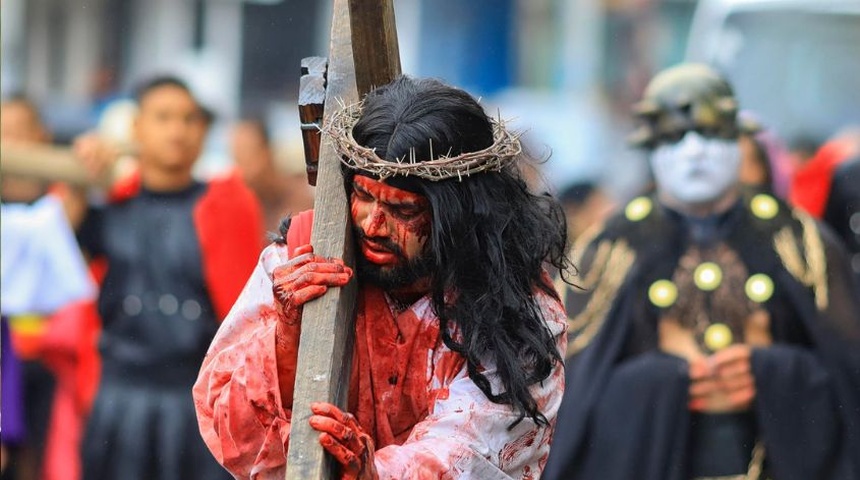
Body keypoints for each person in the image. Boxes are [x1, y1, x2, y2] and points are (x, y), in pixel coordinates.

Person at [193, 75, 570, 479]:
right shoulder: (299, 261)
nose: (373, 225)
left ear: (459, 216)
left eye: (403, 210)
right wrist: (286, 341)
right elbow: (229, 430)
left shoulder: (518, 312)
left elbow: (473, 450)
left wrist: (372, 472)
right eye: (364, 196)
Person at [543, 64, 860, 480]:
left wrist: (775, 372)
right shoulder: (611, 248)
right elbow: (575, 396)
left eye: (710, 133)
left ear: (736, 136)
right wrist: (666, 381)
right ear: (651, 146)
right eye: (673, 136)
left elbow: (848, 372)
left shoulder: (800, 241)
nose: (694, 151)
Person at [73, 75, 263, 480]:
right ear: (137, 128)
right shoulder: (106, 204)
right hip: (119, 397)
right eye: (163, 118)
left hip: (195, 399)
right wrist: (81, 170)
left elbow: (250, 316)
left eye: (189, 119)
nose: (178, 131)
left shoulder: (226, 205)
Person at [0, 95, 96, 480]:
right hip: (5, 355)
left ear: (42, 137)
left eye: (20, 133)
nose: (13, 143)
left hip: (54, 360)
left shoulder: (69, 199)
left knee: (48, 460)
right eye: (4, 134)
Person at [231, 118, 315, 239]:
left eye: (249, 157)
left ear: (268, 152)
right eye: (238, 160)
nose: (243, 171)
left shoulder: (300, 198)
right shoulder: (241, 209)